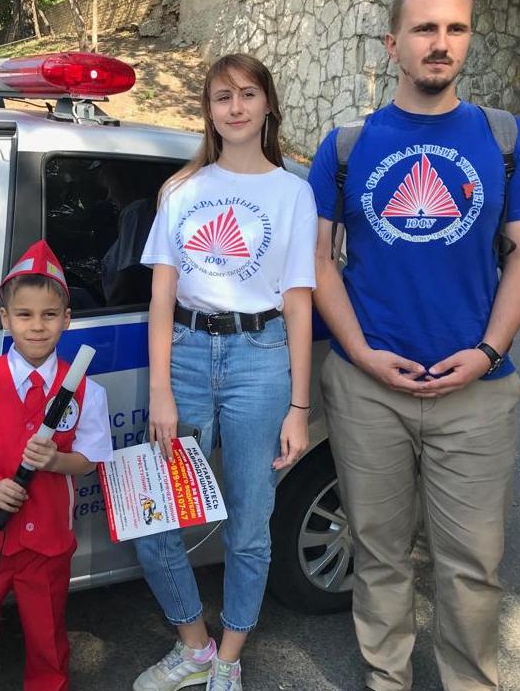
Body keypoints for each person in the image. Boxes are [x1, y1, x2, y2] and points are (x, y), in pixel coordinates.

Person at [308, 0, 520, 690]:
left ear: (468, 39)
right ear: (393, 44)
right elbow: (317, 260)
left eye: (454, 28)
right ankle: (386, 678)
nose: (439, 43)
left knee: (471, 565)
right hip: (368, 389)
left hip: (477, 391)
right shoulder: (345, 145)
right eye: (423, 28)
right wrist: (360, 353)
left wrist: (487, 351)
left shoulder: (506, 139)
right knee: (378, 553)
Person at [133, 53, 317, 691]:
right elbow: (161, 296)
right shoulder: (181, 190)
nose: (235, 107)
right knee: (155, 519)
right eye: (221, 97)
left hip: (259, 359)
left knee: (248, 524)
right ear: (208, 111)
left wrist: (299, 407)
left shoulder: (294, 192)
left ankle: (230, 658)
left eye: (247, 94)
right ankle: (195, 647)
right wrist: (160, 389)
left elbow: (299, 301)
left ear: (267, 104)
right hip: (185, 355)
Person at [0, 240, 112, 690]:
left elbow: (89, 461)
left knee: (48, 635)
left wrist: (56, 460)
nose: (37, 326)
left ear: (66, 319)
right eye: (25, 315)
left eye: (49, 315)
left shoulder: (87, 390)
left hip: (48, 543)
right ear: (5, 318)